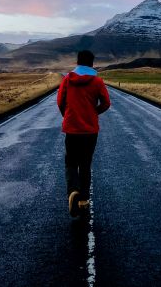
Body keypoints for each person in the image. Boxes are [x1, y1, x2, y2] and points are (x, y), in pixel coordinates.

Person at [57, 50, 110, 217]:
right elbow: (106, 103)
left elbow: (60, 101)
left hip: (72, 129)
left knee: (71, 162)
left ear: (77, 62)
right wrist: (94, 113)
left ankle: (73, 191)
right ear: (92, 64)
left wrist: (67, 115)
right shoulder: (97, 81)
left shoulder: (67, 79)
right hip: (90, 130)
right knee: (86, 164)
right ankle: (84, 200)